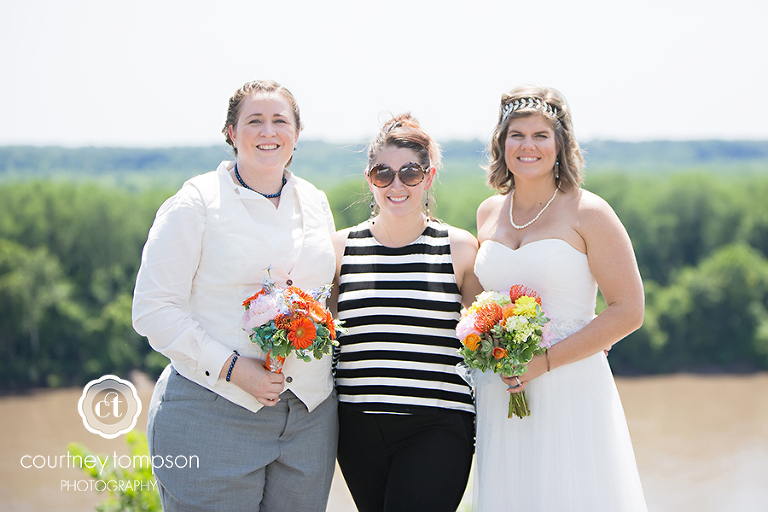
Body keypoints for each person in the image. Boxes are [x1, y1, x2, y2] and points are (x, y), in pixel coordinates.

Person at [132, 80, 338, 512]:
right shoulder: (196, 203)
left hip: (309, 421)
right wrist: (230, 369)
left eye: (280, 121)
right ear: (231, 132)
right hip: (212, 414)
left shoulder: (316, 202)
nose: (269, 132)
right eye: (254, 121)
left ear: (297, 134)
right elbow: (153, 310)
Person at [472, 85, 648, 511]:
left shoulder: (590, 212)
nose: (527, 145)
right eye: (516, 134)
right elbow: (481, 300)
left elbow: (629, 310)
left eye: (540, 135)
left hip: (569, 383)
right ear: (501, 142)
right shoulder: (487, 212)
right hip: (503, 385)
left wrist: (544, 362)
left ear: (561, 144)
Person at [331, 114, 483, 512]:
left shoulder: (460, 249)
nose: (396, 185)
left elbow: (492, 332)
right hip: (356, 427)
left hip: (436, 426)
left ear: (428, 177)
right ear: (369, 179)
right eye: (384, 174)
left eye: (410, 173)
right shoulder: (338, 251)